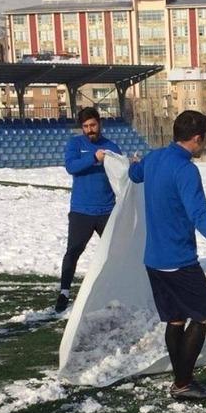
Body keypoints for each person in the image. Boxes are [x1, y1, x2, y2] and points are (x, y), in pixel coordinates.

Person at [129, 110, 206, 398]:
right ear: (197, 138)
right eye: (205, 138)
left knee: (176, 320)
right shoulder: (186, 170)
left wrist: (134, 163)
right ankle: (182, 384)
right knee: (203, 315)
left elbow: (134, 173)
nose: (205, 144)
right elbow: (199, 215)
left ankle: (181, 379)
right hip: (178, 261)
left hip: (153, 260)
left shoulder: (154, 158)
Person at [55, 107, 121, 313]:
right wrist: (93, 158)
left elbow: (121, 173)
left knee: (115, 252)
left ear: (99, 123)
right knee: (73, 251)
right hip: (81, 211)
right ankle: (64, 291)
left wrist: (131, 164)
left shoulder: (111, 146)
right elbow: (71, 167)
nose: (89, 130)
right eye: (85, 126)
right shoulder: (75, 144)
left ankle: (118, 290)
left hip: (107, 210)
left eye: (92, 125)